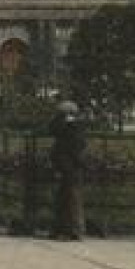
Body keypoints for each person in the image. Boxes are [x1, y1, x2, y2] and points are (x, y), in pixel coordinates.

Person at [50, 100, 88, 241]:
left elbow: (74, 148)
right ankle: (70, 229)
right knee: (67, 198)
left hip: (70, 167)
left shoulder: (73, 127)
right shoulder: (72, 126)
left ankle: (72, 229)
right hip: (68, 166)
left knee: (70, 199)